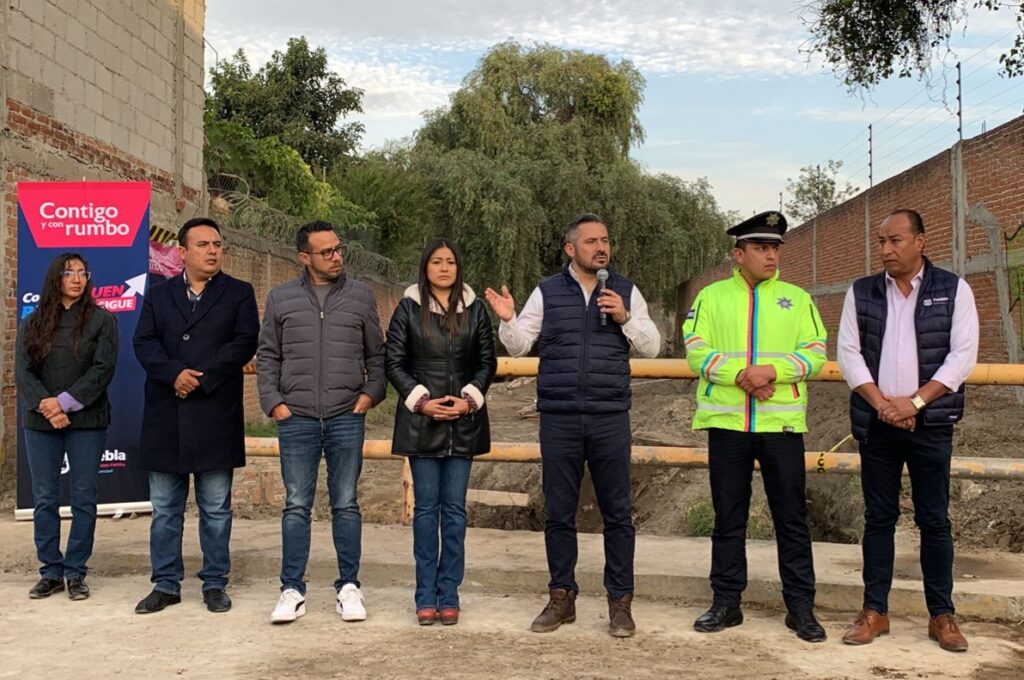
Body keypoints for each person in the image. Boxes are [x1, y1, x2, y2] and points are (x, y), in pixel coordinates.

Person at [485, 213, 661, 638]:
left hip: (609, 416)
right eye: (590, 242)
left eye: (605, 241)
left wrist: (624, 317)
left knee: (618, 513)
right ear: (570, 249)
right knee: (559, 512)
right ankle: (562, 597)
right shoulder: (547, 291)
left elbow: (653, 348)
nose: (600, 248)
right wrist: (508, 319)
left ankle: (620, 603)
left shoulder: (625, 291)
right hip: (560, 417)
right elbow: (521, 344)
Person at [681, 211, 828, 643]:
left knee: (791, 519)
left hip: (781, 425)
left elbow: (815, 352)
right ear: (738, 254)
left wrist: (771, 372)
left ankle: (800, 608)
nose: (771, 255)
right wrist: (745, 375)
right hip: (727, 425)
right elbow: (696, 350)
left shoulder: (798, 299)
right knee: (729, 517)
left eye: (775, 248)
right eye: (761, 248)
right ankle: (726, 602)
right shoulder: (711, 298)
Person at [837, 208, 978, 652]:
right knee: (879, 519)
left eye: (895, 240)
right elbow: (848, 353)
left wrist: (915, 402)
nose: (885, 250)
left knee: (934, 520)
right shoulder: (861, 292)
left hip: (930, 424)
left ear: (920, 241)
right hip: (878, 425)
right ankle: (874, 612)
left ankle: (942, 616)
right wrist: (883, 405)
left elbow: (962, 356)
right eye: (881, 241)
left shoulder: (954, 289)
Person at [258, 221, 386, 625]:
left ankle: (349, 586)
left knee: (346, 503)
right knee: (297, 504)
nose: (336, 257)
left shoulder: (360, 296)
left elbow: (377, 356)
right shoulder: (281, 298)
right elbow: (267, 356)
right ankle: (291, 589)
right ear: (304, 258)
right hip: (295, 418)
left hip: (346, 415)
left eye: (338, 249)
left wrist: (369, 396)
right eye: (326, 252)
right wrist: (275, 404)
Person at [132, 217, 259, 615]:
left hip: (214, 412)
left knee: (216, 509)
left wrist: (201, 380)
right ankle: (166, 584)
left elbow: (243, 343)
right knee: (166, 510)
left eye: (217, 244)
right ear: (182, 252)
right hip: (166, 413)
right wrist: (175, 374)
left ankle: (215, 582)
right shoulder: (159, 294)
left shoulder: (239, 293)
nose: (212, 251)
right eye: (203, 244)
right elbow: (144, 342)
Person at [385, 239, 497, 626]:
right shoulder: (408, 308)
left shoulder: (476, 309)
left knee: (454, 513)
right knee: (425, 512)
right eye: (437, 261)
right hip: (422, 423)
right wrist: (421, 401)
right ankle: (424, 596)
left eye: (451, 261)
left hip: (463, 423)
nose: (445, 268)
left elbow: (488, 361)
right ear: (426, 266)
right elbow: (394, 362)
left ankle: (449, 594)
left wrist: (469, 398)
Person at [15, 253, 119, 601]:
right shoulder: (33, 323)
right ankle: (51, 571)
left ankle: (76, 571)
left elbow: (102, 370)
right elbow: (23, 372)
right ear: (54, 278)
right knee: (44, 498)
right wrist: (50, 407)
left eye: (82, 273)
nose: (77, 278)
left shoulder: (102, 321)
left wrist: (66, 403)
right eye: (69, 272)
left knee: (84, 498)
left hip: (86, 420)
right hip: (41, 421)